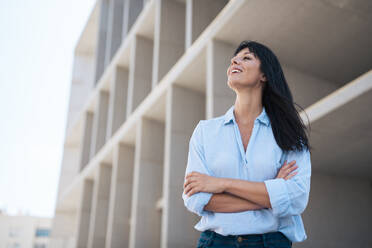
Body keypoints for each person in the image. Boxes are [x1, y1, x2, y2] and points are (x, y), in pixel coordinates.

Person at [182, 40, 312, 248]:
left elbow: (296, 199)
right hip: (215, 243)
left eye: (247, 57)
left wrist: (222, 184)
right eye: (234, 58)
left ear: (264, 75)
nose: (234, 60)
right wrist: (271, 195)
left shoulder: (289, 134)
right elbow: (196, 199)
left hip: (271, 243)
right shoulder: (205, 132)